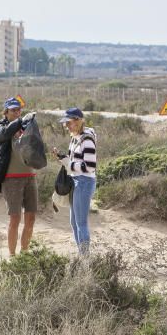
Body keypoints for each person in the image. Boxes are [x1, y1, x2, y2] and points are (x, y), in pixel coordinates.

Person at [0, 98, 38, 256]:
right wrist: (20, 122)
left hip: (30, 176)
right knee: (15, 219)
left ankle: (24, 255)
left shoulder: (26, 125)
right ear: (6, 112)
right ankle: (12, 255)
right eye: (13, 110)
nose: (17, 113)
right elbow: (2, 135)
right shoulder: (0, 126)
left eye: (18, 110)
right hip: (11, 178)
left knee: (31, 218)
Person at [52, 108, 97, 256]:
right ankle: (82, 254)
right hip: (75, 181)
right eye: (65, 123)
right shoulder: (75, 137)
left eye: (69, 122)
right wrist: (62, 157)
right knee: (74, 222)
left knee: (81, 223)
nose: (66, 126)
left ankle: (85, 258)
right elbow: (75, 161)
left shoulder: (87, 140)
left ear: (78, 121)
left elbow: (89, 166)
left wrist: (68, 163)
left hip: (84, 182)